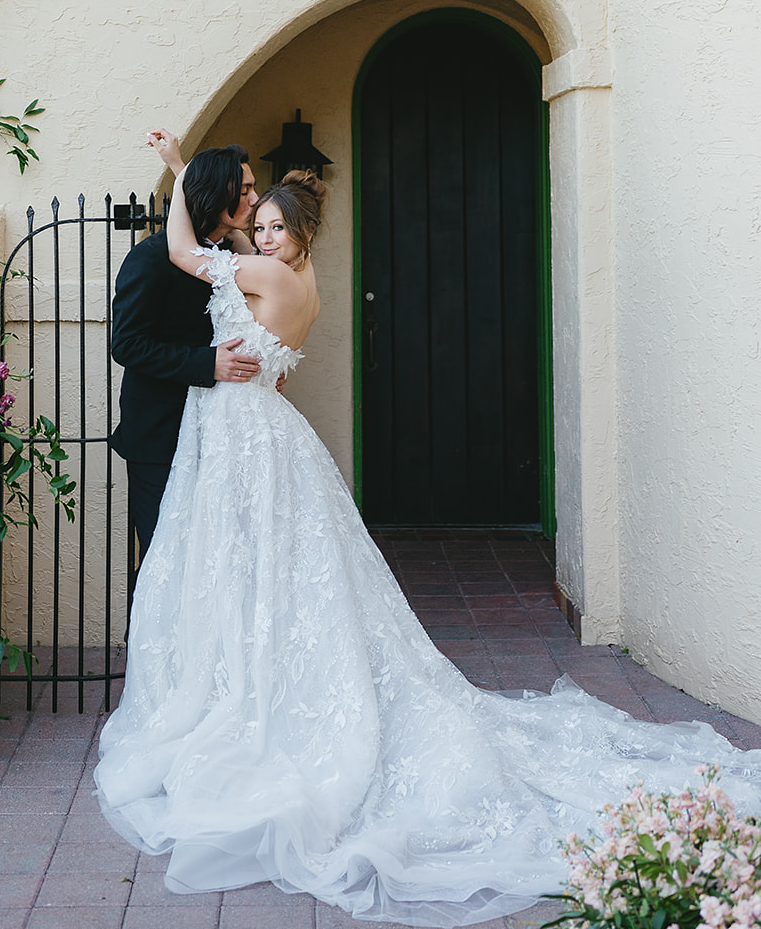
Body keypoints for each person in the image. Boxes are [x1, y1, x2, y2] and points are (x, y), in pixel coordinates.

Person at [95, 139, 761, 926]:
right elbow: (197, 265)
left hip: (244, 437)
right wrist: (194, 178)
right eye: (254, 215)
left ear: (297, 237)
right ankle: (244, 680)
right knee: (263, 574)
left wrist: (183, 177)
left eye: (272, 222)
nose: (258, 229)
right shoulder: (291, 273)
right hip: (255, 434)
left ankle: (251, 703)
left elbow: (185, 247)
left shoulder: (260, 270)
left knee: (257, 570)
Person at [110, 140, 261, 559]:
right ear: (217, 195)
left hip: (221, 437)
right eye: (244, 190)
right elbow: (126, 343)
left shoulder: (234, 256)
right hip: (161, 438)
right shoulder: (152, 258)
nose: (253, 199)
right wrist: (206, 363)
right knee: (165, 562)